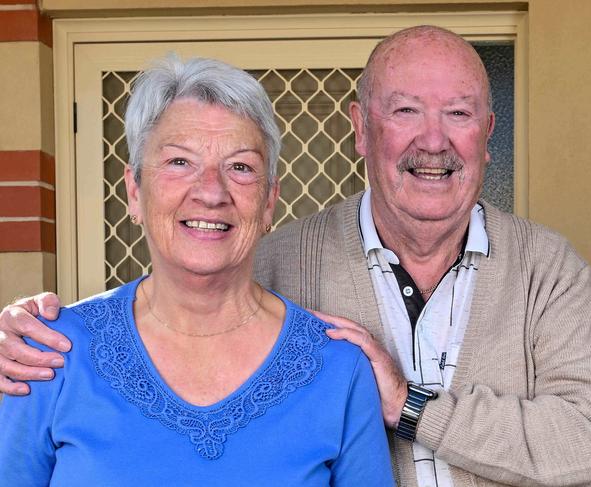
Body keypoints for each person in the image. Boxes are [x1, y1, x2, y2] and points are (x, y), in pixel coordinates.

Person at [0, 25, 591, 487]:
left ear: (487, 134)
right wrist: (30, 328)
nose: (433, 142)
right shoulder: (274, 262)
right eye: (405, 111)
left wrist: (409, 406)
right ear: (360, 129)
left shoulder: (549, 272)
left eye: (458, 113)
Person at [0, 55, 394, 486]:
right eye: (179, 163)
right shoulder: (47, 352)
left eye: (240, 167)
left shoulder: (336, 368)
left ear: (268, 201)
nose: (210, 192)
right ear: (135, 191)